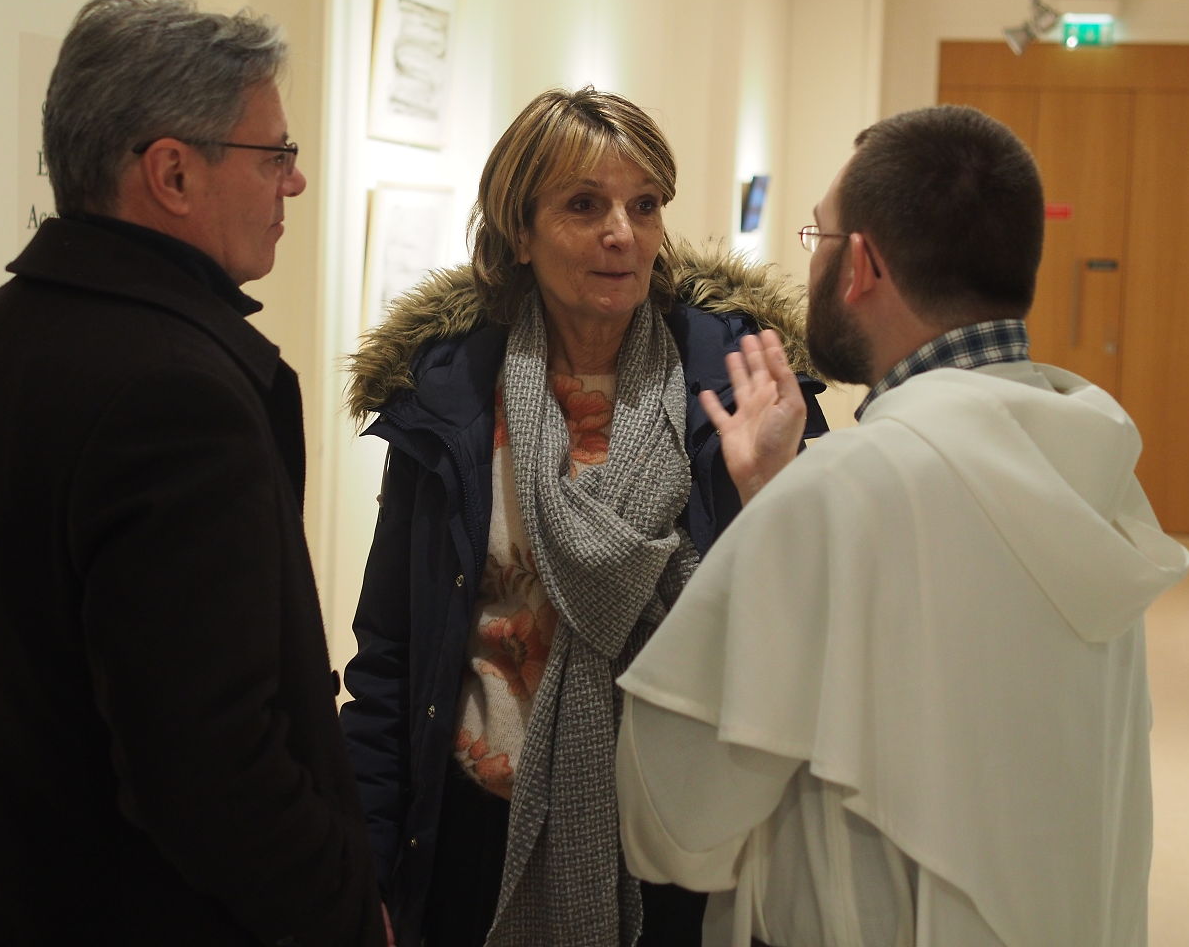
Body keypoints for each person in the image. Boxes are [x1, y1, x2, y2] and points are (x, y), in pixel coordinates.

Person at [0, 0, 386, 947]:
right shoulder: (180, 395)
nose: (295, 181)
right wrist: (345, 915)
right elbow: (210, 770)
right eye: (274, 153)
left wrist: (51, 769)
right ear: (173, 173)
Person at [615, 104, 1189, 947]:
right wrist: (778, 497)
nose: (811, 260)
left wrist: (780, 515)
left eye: (819, 236)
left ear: (862, 266)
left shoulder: (839, 493)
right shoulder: (1091, 471)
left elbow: (673, 817)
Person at [338, 86, 829, 947]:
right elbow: (392, 654)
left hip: (680, 838)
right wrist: (367, 865)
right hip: (473, 837)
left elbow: (813, 627)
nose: (622, 233)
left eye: (645, 205)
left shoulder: (738, 384)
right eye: (583, 205)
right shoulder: (449, 397)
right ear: (519, 232)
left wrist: (770, 490)